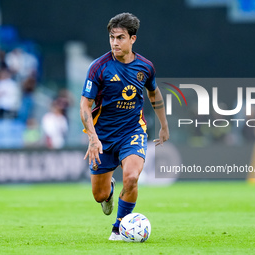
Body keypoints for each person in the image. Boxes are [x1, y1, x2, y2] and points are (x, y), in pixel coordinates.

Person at [80, 12, 169, 241]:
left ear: (133, 39)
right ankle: (108, 190)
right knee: (99, 195)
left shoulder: (145, 67)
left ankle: (119, 227)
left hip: (133, 131)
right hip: (103, 137)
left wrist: (163, 124)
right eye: (112, 37)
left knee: (131, 177)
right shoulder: (99, 67)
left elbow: (154, 92)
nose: (115, 42)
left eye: (120, 37)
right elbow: (84, 105)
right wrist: (93, 138)